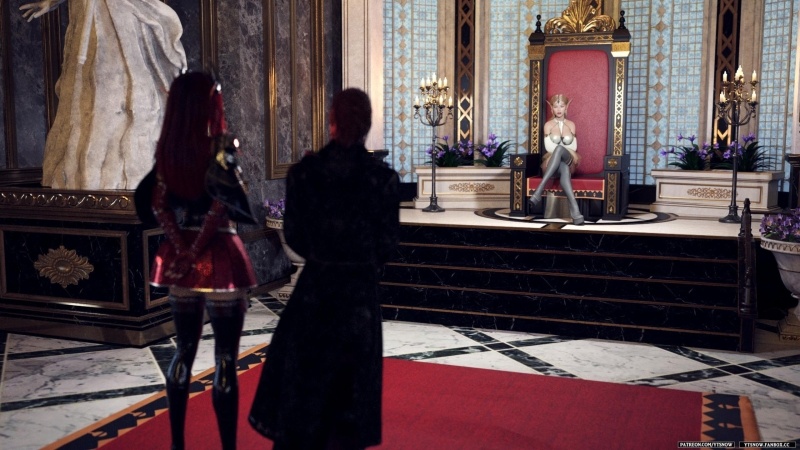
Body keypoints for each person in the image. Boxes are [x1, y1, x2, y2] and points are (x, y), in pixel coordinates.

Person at [249, 88, 400, 450]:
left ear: (332, 121)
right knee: (350, 390)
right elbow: (388, 246)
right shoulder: (384, 180)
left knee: (307, 386)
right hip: (359, 298)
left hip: (315, 291)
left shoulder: (305, 173)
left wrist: (325, 256)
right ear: (366, 125)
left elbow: (296, 237)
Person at [147, 72, 257, 450]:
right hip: (220, 254)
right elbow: (221, 205)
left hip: (181, 259)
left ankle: (178, 445)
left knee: (183, 351)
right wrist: (195, 251)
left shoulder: (168, 147)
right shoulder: (221, 146)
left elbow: (159, 205)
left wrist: (181, 248)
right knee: (225, 358)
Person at [21, 0, 186, 190]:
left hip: (120, 13)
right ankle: (87, 173)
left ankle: (125, 172)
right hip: (88, 17)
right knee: (87, 95)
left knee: (123, 88)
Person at [529, 93, 584, 225]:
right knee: (563, 167)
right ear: (551, 108)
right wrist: (559, 152)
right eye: (555, 106)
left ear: (566, 108)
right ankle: (575, 211)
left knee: (559, 150)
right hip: (552, 164)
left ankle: (539, 189)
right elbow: (548, 147)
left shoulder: (571, 125)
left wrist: (560, 149)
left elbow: (573, 146)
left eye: (561, 106)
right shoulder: (548, 125)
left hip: (570, 159)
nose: (559, 109)